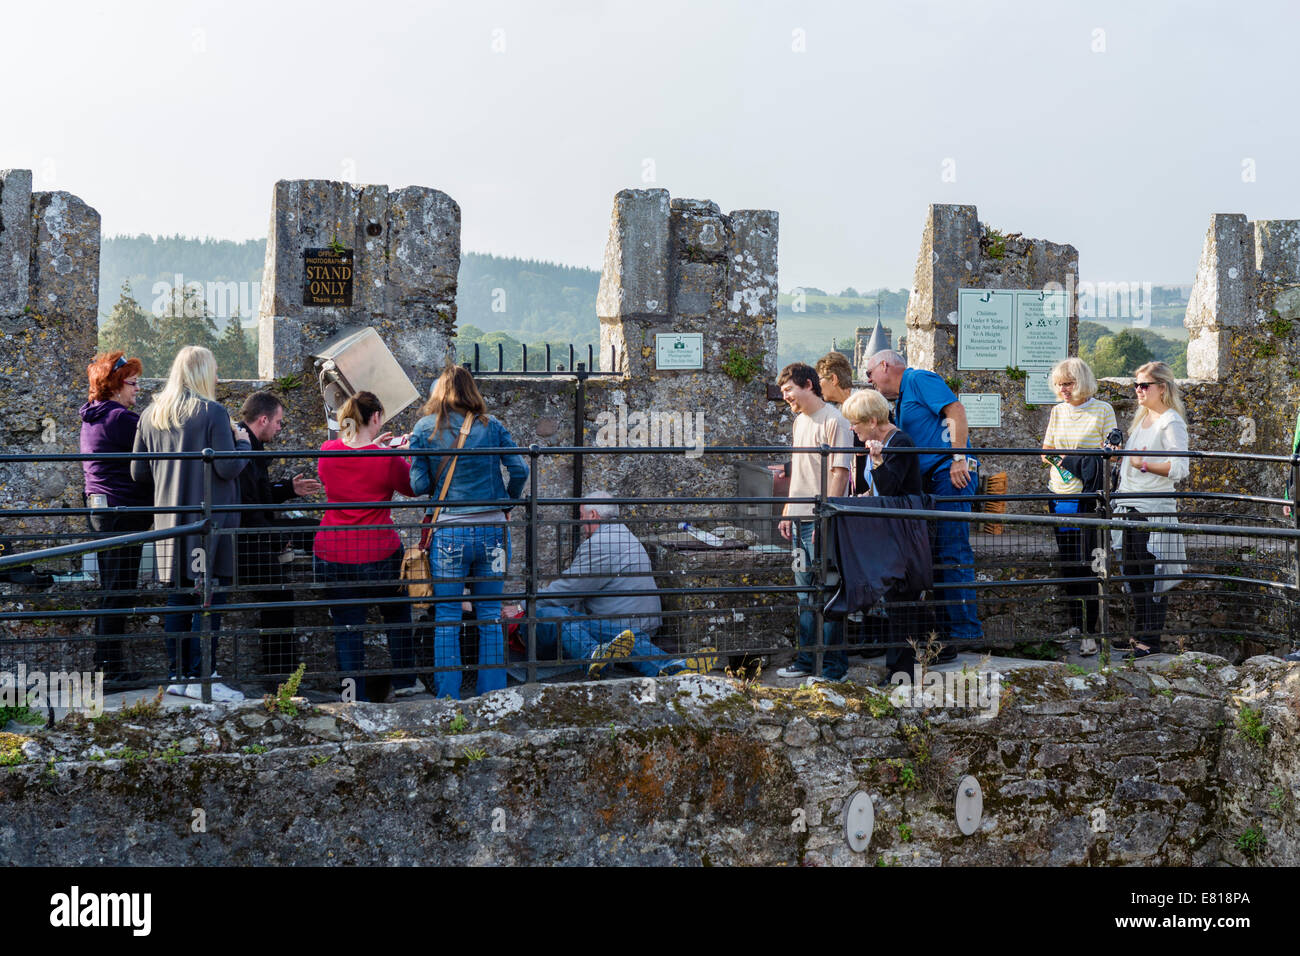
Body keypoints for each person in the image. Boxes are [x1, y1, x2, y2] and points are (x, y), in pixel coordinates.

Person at [130, 346, 249, 702]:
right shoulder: (213, 413)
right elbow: (227, 467)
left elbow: (137, 472)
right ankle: (204, 677)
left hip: (169, 523)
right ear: (201, 374)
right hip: (208, 523)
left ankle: (178, 674)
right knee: (209, 599)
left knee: (178, 600)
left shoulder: (151, 414)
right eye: (214, 371)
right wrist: (243, 445)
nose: (217, 378)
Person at [409, 366, 528, 700]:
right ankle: (492, 697)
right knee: (489, 613)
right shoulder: (492, 426)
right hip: (492, 528)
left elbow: (418, 485)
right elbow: (519, 468)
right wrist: (508, 502)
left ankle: (449, 699)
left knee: (447, 616)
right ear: (471, 391)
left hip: (448, 532)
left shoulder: (423, 429)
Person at [511, 493, 716, 678]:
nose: (581, 525)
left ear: (592, 515)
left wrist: (522, 605)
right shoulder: (624, 535)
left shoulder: (601, 544)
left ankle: (593, 655)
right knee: (610, 632)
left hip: (622, 623)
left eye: (582, 517)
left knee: (559, 616)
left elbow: (569, 588)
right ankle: (671, 667)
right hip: (639, 625)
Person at [866, 349, 983, 655]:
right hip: (935, 479)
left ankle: (965, 631)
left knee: (953, 551)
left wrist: (959, 457)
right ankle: (947, 631)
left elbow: (955, 410)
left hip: (951, 474)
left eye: (870, 374)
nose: (869, 380)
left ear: (885, 365)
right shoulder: (903, 398)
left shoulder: (918, 378)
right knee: (940, 555)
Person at [313, 390, 417, 702]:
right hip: (378, 549)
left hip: (333, 549)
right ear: (375, 418)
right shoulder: (386, 459)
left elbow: (343, 474)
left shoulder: (328, 451)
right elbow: (411, 487)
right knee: (398, 615)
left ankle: (352, 693)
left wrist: (379, 448)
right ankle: (405, 682)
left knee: (347, 626)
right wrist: (403, 453)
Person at [235, 390, 322, 691]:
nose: (280, 428)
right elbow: (248, 507)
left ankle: (281, 677)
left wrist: (288, 489)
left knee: (314, 528)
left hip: (254, 533)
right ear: (263, 419)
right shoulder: (244, 451)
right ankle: (281, 679)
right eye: (279, 423)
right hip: (247, 541)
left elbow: (259, 496)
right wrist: (278, 537)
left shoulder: (249, 447)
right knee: (280, 599)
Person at [774, 362, 853, 682]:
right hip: (801, 520)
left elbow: (840, 472)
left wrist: (826, 516)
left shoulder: (836, 420)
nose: (786, 397)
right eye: (783, 393)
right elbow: (802, 471)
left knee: (828, 591)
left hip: (823, 520)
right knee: (804, 594)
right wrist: (788, 512)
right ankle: (806, 662)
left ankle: (835, 669)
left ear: (808, 384)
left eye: (789, 390)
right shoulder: (799, 422)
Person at [80, 351, 151, 686]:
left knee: (114, 588)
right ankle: (110, 670)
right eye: (133, 383)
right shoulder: (120, 419)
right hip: (121, 512)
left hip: (103, 509)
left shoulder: (92, 417)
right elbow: (156, 444)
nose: (137, 390)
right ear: (116, 385)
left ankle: (107, 665)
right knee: (119, 590)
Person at [1108, 361, 1188, 658]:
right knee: (1134, 572)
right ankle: (1140, 634)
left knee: (1151, 573)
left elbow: (1180, 467)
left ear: (1162, 388)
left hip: (1152, 508)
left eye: (1144, 385)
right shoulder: (1142, 419)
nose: (1138, 391)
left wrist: (1146, 464)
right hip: (1129, 505)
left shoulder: (1171, 422)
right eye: (1136, 385)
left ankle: (1150, 640)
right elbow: (1133, 462)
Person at [1041, 357, 1116, 656]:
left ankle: (1090, 632)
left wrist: (1073, 462)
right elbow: (1046, 450)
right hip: (1059, 493)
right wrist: (1066, 462)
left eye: (1068, 383)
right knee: (1069, 562)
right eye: (1059, 384)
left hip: (1087, 497)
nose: (1063, 390)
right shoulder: (1057, 412)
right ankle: (1075, 624)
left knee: (1088, 564)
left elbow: (1112, 452)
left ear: (1082, 381)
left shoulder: (1102, 410)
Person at [842, 388, 922, 497]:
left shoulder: (901, 443)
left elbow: (888, 490)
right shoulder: (875, 442)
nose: (851, 428)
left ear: (872, 422)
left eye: (854, 423)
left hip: (900, 512)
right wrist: (863, 497)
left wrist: (877, 461)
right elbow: (877, 488)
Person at [816, 352, 868, 493]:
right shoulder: (841, 408)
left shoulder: (865, 404)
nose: (818, 387)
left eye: (819, 380)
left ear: (833, 379)